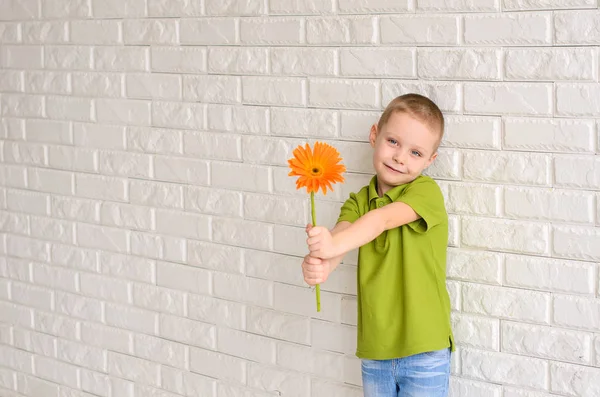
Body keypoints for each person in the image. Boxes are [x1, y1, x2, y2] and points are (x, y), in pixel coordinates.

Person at [302, 93, 454, 397]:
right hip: (376, 351)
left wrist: (332, 245)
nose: (400, 157)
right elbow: (343, 237)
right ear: (375, 135)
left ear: (430, 160)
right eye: (394, 142)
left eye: (415, 152)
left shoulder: (425, 193)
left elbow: (380, 221)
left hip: (424, 349)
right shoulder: (358, 200)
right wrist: (319, 264)